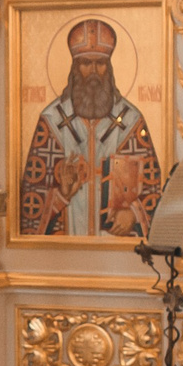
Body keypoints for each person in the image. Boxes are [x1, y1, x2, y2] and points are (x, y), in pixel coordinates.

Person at [17, 16, 161, 237]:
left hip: (117, 251)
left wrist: (132, 213)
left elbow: (153, 188)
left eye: (100, 63)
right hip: (65, 247)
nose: (94, 71)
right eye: (86, 63)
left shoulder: (131, 120)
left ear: (109, 67)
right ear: (75, 67)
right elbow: (32, 197)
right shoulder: (52, 120)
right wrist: (61, 195)